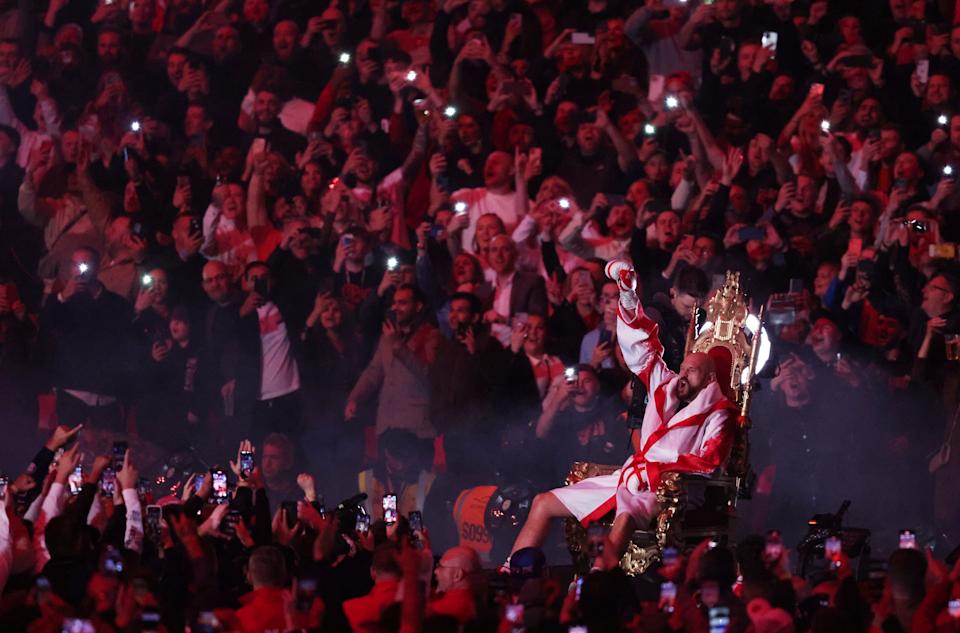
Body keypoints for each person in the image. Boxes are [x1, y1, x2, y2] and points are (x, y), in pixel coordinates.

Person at [506, 259, 736, 565]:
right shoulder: (664, 385)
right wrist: (627, 295)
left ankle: (600, 581)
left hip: (668, 490)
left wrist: (656, 471)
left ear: (709, 378)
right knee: (543, 501)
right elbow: (642, 351)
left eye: (693, 372)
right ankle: (513, 572)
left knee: (626, 515)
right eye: (683, 368)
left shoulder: (719, 412)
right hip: (629, 478)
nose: (683, 375)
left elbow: (709, 462)